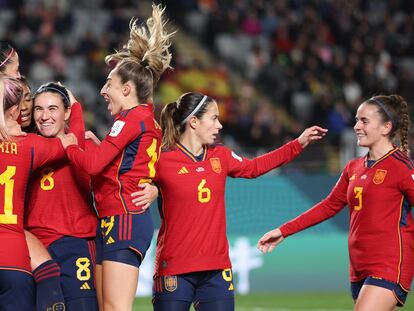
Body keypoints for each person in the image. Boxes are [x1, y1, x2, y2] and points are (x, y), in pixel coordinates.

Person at [150, 91, 327, 311]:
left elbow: (254, 168)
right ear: (194, 122)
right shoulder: (161, 159)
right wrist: (151, 188)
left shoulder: (220, 156)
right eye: (214, 118)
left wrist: (297, 144)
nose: (219, 125)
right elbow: (128, 180)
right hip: (175, 267)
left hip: (216, 269)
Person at [59, 4, 174, 310]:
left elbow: (94, 166)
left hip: (123, 220)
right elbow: (130, 166)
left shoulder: (130, 120)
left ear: (126, 88)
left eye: (108, 83)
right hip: (117, 219)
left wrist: (68, 144)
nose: (102, 90)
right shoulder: (144, 119)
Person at [258, 95, 414, 310]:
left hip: (390, 262)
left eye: (364, 121)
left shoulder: (402, 167)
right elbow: (329, 206)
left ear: (386, 127)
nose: (356, 126)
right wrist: (284, 230)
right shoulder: (353, 167)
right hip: (359, 264)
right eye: (357, 120)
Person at [24, 82, 99, 310]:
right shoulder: (25, 147)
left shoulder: (86, 145)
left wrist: (152, 189)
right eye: (39, 109)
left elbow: (117, 186)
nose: (45, 116)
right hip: (33, 248)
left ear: (67, 112)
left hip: (75, 244)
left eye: (52, 108)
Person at [0, 76, 67, 310]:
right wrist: (74, 109)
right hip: (13, 258)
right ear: (16, 109)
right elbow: (68, 143)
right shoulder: (28, 145)